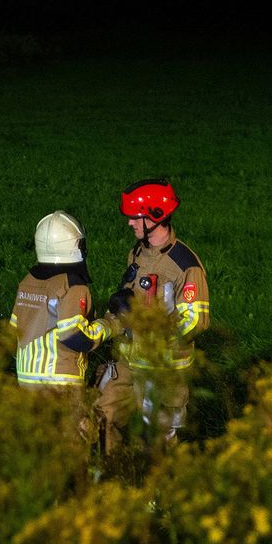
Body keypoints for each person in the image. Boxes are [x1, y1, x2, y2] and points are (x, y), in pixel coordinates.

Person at [95, 178, 209, 450]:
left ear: (156, 216)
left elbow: (195, 321)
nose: (130, 223)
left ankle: (164, 489)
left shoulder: (185, 266)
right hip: (129, 362)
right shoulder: (137, 254)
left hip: (162, 371)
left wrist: (147, 329)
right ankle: (117, 481)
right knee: (105, 417)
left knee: (156, 441)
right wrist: (105, 327)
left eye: (135, 218)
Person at [10, 211, 111, 413]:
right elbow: (75, 337)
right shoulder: (72, 285)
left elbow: (14, 329)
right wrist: (109, 325)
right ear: (77, 246)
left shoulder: (28, 282)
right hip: (60, 381)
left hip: (26, 379)